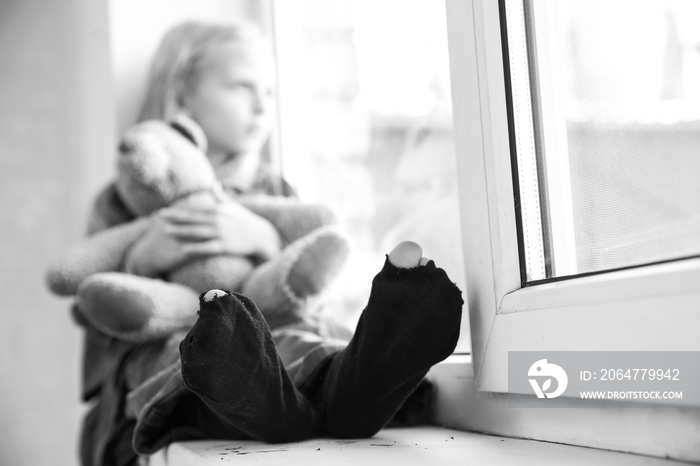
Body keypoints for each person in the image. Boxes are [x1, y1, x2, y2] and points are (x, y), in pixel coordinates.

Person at [76, 20, 463, 466]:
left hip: (279, 340)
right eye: (242, 87)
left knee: (303, 342)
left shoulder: (276, 191)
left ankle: (357, 381)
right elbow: (95, 307)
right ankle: (260, 397)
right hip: (172, 351)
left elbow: (309, 287)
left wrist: (262, 239)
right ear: (182, 95)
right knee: (196, 353)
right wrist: (142, 263)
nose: (261, 106)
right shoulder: (125, 199)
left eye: (269, 91)